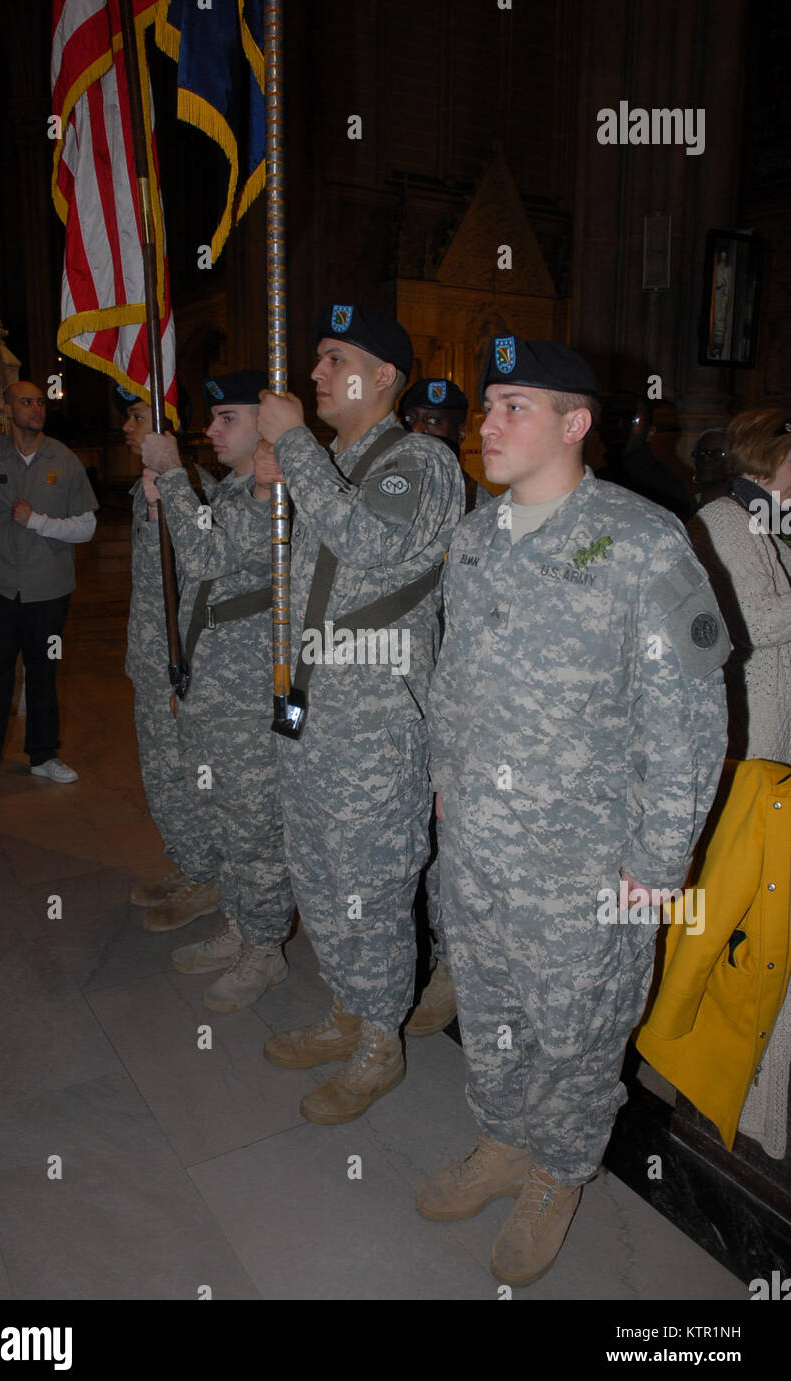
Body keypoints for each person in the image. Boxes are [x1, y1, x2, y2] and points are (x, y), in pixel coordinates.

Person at [420, 335, 729, 1286]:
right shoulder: (472, 537)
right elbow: (454, 678)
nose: (488, 424)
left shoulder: (643, 542)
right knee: (493, 1006)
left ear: (575, 423)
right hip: (476, 848)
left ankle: (560, 1169)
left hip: (589, 864)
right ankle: (505, 1139)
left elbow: (692, 720)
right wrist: (443, 785)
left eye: (515, 406)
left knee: (581, 1030)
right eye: (487, 406)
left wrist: (657, 865)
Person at [255, 304, 465, 1123]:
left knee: (372, 887)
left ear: (381, 377)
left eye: (330, 356)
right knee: (319, 871)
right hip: (310, 713)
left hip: (377, 727)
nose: (311, 374)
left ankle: (382, 1039)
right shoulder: (329, 467)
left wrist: (300, 451)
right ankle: (349, 1007)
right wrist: (291, 470)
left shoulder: (420, 461)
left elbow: (371, 545)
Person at [141, 372, 296, 1010]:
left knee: (254, 828)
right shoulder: (235, 488)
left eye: (226, 417)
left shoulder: (275, 490)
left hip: (251, 695)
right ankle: (240, 929)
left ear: (264, 425)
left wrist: (174, 473)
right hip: (213, 685)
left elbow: (208, 559)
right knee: (222, 819)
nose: (210, 429)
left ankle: (264, 952)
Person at [0, 381, 98, 794]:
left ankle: (44, 756)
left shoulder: (63, 461)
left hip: (50, 593)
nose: (36, 408)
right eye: (26, 401)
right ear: (7, 408)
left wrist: (37, 522)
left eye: (40, 401)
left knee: (44, 673)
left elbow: (87, 526)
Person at [398, 376, 487, 1037]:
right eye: (418, 420)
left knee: (450, 847)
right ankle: (423, 955)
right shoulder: (388, 497)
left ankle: (454, 968)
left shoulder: (485, 510)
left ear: (462, 430)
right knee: (412, 843)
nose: (430, 432)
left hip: (457, 702)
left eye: (443, 422)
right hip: (400, 697)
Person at [117, 385, 221, 932]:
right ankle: (189, 864)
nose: (128, 429)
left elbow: (206, 577)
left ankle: (208, 877)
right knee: (159, 773)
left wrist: (189, 669)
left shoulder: (197, 492)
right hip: (148, 655)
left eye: (138, 417)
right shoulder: (143, 492)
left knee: (186, 774)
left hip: (180, 663)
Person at [687, 408, 791, 764]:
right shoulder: (726, 520)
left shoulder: (770, 523)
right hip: (755, 734)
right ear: (770, 458)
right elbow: (756, 623)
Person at [596, 392, 691, 522]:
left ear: (650, 432)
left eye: (631, 420)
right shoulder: (598, 479)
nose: (619, 426)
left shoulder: (664, 487)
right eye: (611, 419)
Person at [690, 427, 730, 509]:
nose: (707, 458)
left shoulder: (746, 508)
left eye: (717, 453)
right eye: (701, 453)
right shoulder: (686, 506)